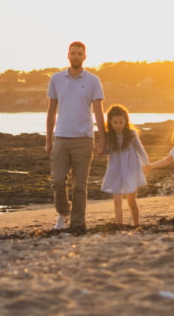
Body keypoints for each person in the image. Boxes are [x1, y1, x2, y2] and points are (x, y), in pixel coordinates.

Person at [46, 41, 105, 231]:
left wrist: (101, 139)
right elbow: (51, 111)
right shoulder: (56, 79)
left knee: (80, 186)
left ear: (84, 57)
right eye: (73, 53)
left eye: (79, 54)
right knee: (57, 181)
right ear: (68, 55)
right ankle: (63, 213)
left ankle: (78, 223)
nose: (76, 56)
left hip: (84, 140)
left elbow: (98, 112)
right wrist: (48, 140)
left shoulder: (93, 81)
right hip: (61, 138)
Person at [99, 104, 149, 226]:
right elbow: (106, 151)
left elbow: (140, 149)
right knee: (117, 201)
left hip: (131, 169)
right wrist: (99, 148)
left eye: (121, 122)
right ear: (110, 122)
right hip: (115, 170)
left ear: (126, 121)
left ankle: (136, 224)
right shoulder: (109, 135)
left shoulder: (131, 134)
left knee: (131, 201)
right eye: (115, 122)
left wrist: (146, 164)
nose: (118, 125)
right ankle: (119, 225)